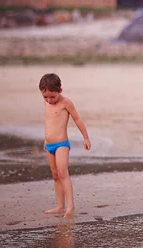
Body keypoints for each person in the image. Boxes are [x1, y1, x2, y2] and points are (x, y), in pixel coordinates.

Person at [39, 73, 91, 218]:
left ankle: (70, 206)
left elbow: (77, 119)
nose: (49, 100)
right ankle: (60, 206)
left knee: (63, 173)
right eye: (45, 97)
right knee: (55, 175)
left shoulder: (66, 102)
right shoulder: (47, 103)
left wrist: (85, 138)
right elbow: (49, 122)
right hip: (49, 145)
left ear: (60, 91)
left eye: (52, 97)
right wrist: (45, 139)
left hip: (62, 144)